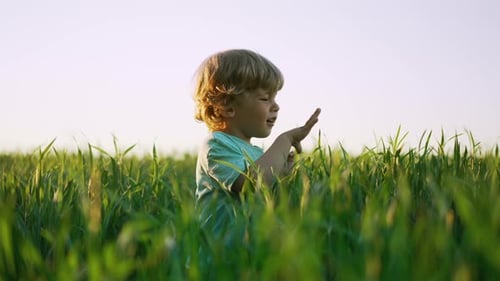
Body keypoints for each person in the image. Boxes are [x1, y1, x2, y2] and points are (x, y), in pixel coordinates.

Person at [193, 49, 321, 235]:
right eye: (264, 98)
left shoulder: (255, 153)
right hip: (217, 256)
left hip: (247, 252)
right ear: (228, 107)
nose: (275, 106)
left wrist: (281, 176)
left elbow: (264, 196)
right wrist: (285, 140)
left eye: (275, 98)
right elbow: (252, 184)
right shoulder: (215, 144)